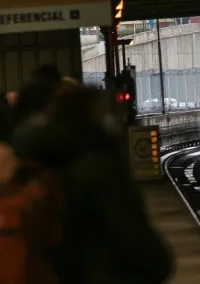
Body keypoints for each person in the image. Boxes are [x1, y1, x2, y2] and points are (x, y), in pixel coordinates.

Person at [11, 85, 173, 284]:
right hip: (101, 273)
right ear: (90, 116)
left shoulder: (34, 160)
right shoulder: (99, 169)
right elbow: (133, 236)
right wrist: (160, 264)